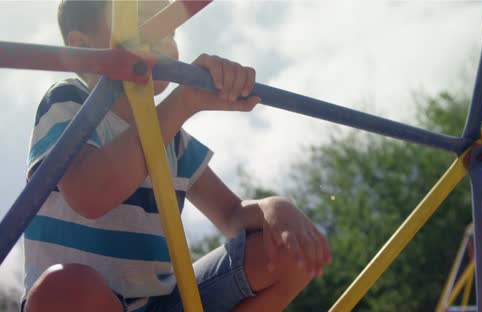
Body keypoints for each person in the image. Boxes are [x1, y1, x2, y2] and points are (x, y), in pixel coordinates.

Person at [21, 1, 331, 311]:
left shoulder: (173, 139)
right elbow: (89, 195)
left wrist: (276, 208)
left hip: (165, 303)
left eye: (170, 29)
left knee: (285, 252)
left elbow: (232, 213)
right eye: (148, 21)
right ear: (84, 46)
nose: (166, 38)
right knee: (65, 288)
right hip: (75, 301)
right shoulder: (69, 102)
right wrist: (182, 104)